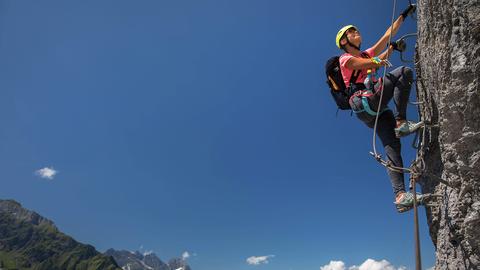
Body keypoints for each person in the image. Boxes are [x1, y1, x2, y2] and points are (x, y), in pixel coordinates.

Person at [336, 4, 424, 213]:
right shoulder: (345, 58)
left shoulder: (367, 54)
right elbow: (357, 65)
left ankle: (400, 195)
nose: (357, 33)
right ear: (344, 42)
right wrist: (378, 60)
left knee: (392, 146)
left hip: (372, 109)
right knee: (403, 72)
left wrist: (405, 13)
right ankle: (402, 121)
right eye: (352, 32)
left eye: (356, 30)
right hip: (362, 100)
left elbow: (387, 34)